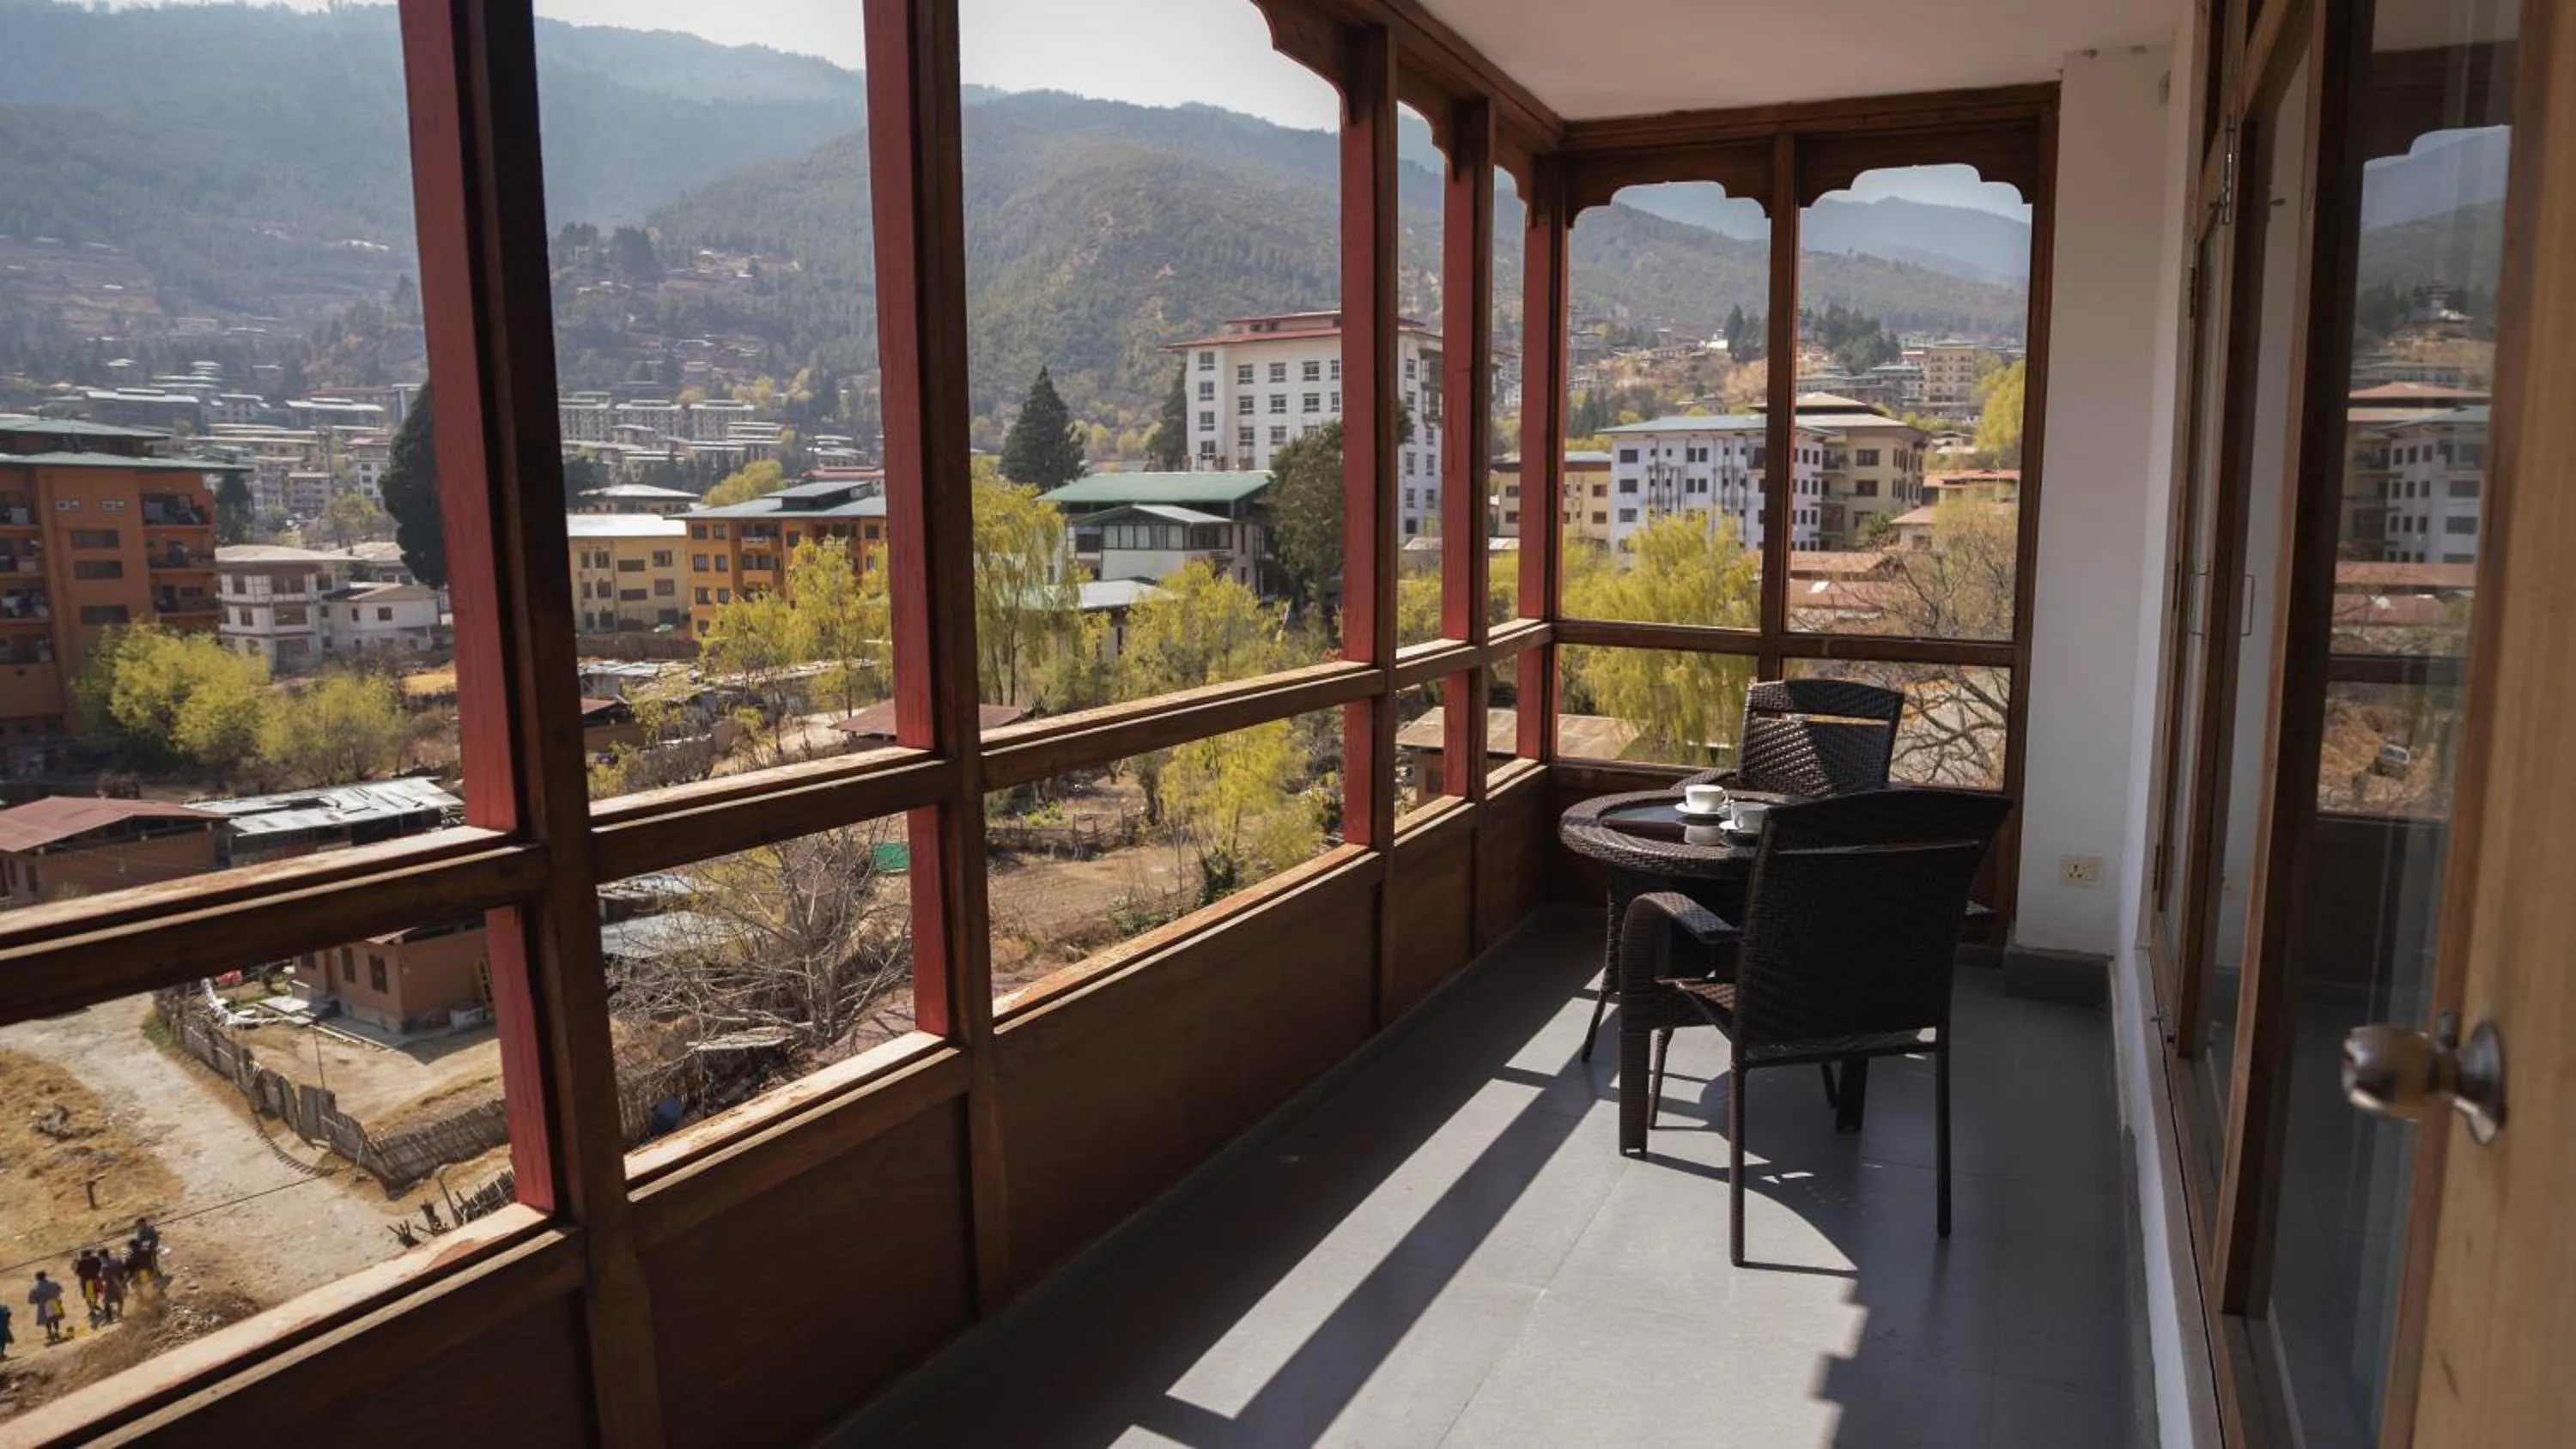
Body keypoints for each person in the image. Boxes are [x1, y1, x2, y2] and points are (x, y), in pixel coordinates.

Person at [28, 1271, 65, 1344]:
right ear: (45, 1276)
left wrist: (38, 1301)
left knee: (48, 1320)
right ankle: (56, 1332)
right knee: (55, 1319)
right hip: (53, 1302)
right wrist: (56, 1296)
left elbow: (31, 1300)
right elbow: (61, 1290)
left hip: (44, 1304)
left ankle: (50, 1333)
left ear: (37, 1278)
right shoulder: (53, 1284)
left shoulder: (36, 1289)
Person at [96, 1252, 127, 1325]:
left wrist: (99, 1287)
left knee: (106, 1302)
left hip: (109, 1285)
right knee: (120, 1300)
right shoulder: (117, 1261)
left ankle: (109, 1319)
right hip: (120, 1283)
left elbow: (101, 1278)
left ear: (102, 1256)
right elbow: (123, 1270)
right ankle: (120, 1314)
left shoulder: (104, 1266)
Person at [72, 1248, 101, 1321]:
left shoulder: (80, 1262)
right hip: (95, 1279)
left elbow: (76, 1272)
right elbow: (99, 1267)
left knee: (88, 1297)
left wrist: (74, 1262)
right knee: (95, 1294)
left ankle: (92, 1311)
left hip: (86, 1281)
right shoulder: (95, 1259)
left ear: (83, 1255)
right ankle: (94, 1305)